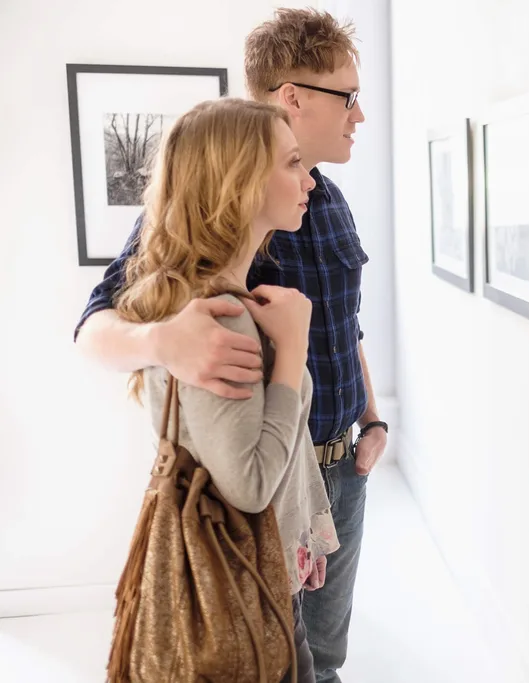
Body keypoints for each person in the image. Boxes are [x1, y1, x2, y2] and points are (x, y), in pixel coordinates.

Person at [74, 9, 385, 683]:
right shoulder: (214, 206)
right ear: (295, 96)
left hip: (337, 469)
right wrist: (162, 338)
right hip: (264, 480)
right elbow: (93, 329)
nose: (359, 114)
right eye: (349, 96)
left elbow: (344, 320)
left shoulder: (326, 200)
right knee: (262, 653)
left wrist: (370, 417)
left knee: (319, 658)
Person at [115, 96, 337, 683]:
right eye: (292, 163)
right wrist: (292, 349)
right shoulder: (217, 318)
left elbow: (276, 446)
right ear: (239, 183)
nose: (309, 179)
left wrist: (308, 531)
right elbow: (251, 483)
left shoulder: (230, 299)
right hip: (247, 585)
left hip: (267, 570)